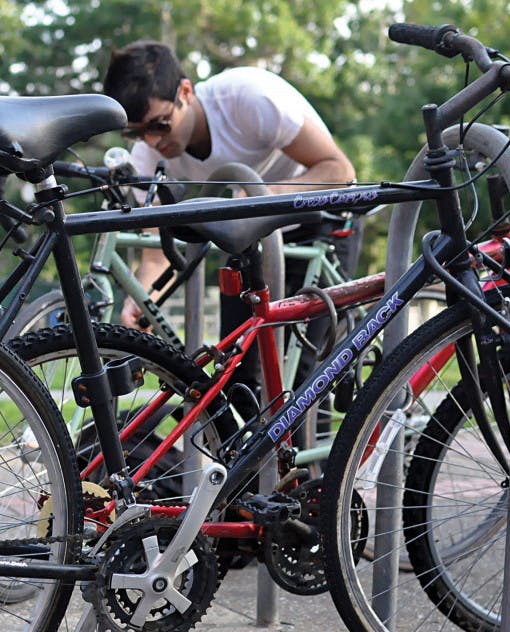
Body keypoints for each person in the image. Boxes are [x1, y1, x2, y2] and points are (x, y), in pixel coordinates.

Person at [102, 40, 359, 413]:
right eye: (137, 133)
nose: (153, 141)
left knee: (302, 384)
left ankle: (319, 451)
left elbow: (339, 169)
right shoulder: (148, 156)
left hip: (316, 221)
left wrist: (261, 196)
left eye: (160, 125)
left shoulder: (249, 98)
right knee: (236, 377)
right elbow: (157, 250)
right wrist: (141, 300)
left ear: (185, 91)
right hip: (249, 236)